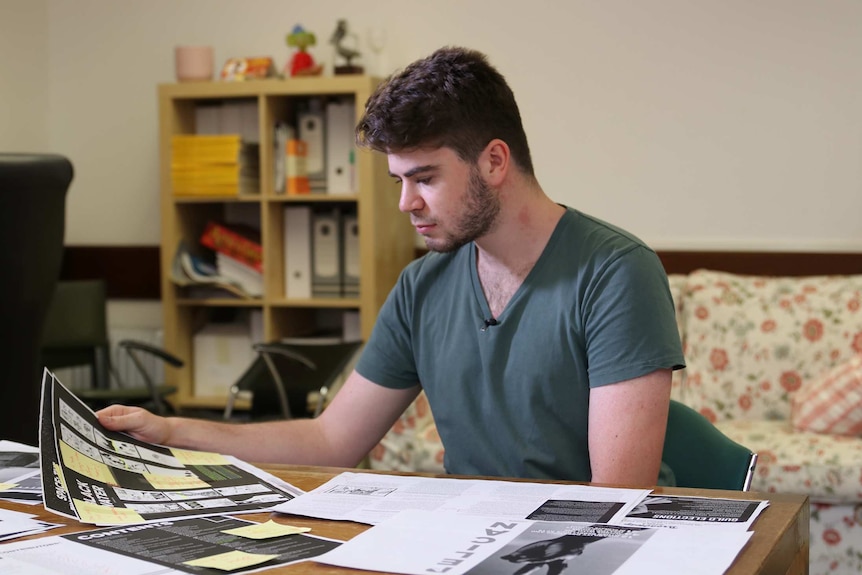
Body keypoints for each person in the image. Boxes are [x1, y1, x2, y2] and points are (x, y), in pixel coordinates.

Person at [98, 46, 684, 487]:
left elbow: (617, 500)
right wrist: (172, 431)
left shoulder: (616, 274)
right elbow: (330, 439)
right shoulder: (423, 285)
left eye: (425, 178)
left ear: (495, 161)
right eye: (399, 181)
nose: (406, 203)